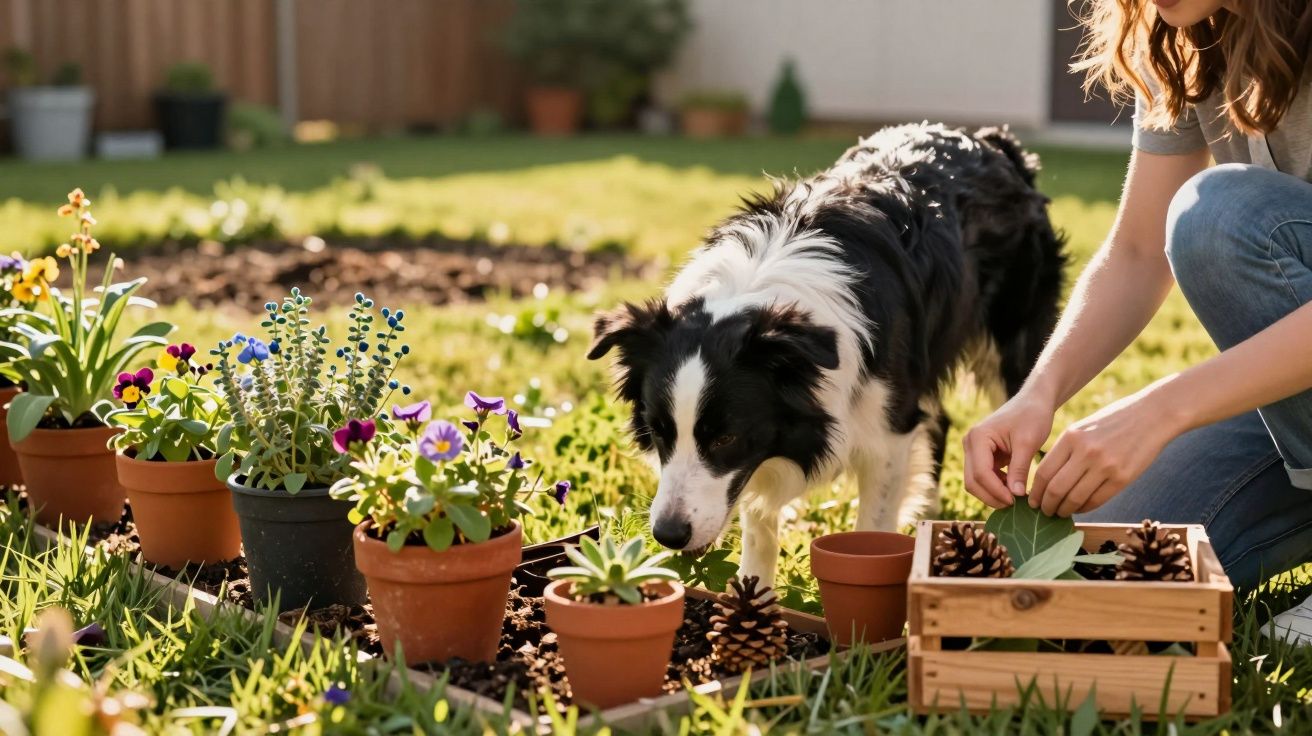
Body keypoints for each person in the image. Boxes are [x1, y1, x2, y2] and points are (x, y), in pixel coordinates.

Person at [962, 0, 1312, 636]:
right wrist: (1035, 396)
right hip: (1297, 407)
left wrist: (1159, 411)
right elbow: (1136, 252)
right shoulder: (1183, 35)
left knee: (1220, 216)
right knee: (1106, 557)